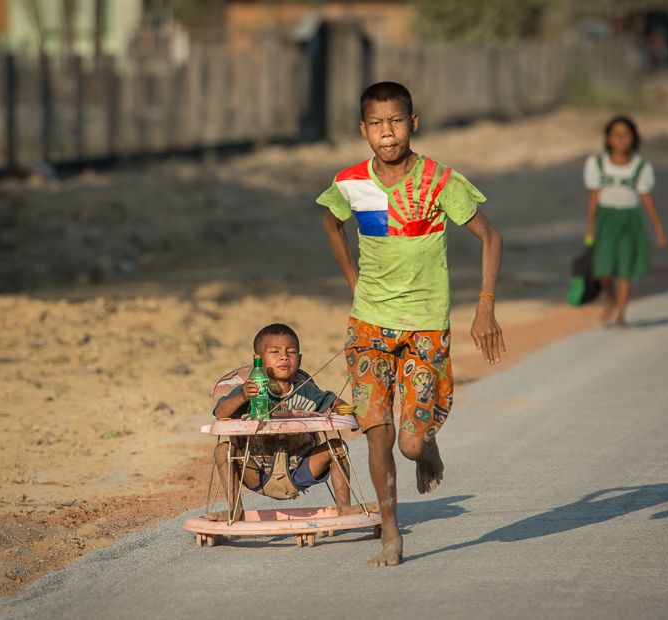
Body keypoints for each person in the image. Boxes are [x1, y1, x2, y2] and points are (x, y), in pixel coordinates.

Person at [319, 82, 505, 567]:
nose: (388, 133)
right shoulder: (350, 183)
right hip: (369, 327)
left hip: (424, 326)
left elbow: (490, 237)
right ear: (363, 130)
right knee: (378, 433)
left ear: (413, 123)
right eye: (377, 124)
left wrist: (484, 306)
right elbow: (331, 223)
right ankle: (391, 536)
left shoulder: (440, 181)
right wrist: (353, 280)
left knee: (409, 443)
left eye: (397, 121)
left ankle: (427, 444)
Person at [208, 323, 369, 521]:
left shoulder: (306, 390)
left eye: (291, 352)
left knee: (337, 446)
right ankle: (235, 509)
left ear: (299, 360)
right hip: (255, 471)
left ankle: (344, 507)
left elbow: (333, 402)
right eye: (275, 352)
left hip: (301, 468)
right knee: (222, 450)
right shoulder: (249, 390)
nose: (284, 356)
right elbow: (220, 413)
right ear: (257, 360)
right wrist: (242, 397)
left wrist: (347, 414)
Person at [584, 116, 668, 329]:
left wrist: (658, 228)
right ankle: (611, 299)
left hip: (630, 220)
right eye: (616, 135)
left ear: (634, 138)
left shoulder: (641, 167)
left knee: (625, 270)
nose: (621, 140)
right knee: (604, 270)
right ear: (608, 138)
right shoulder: (597, 163)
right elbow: (594, 195)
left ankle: (621, 316)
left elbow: (646, 197)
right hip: (606, 220)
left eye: (626, 135)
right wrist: (590, 226)